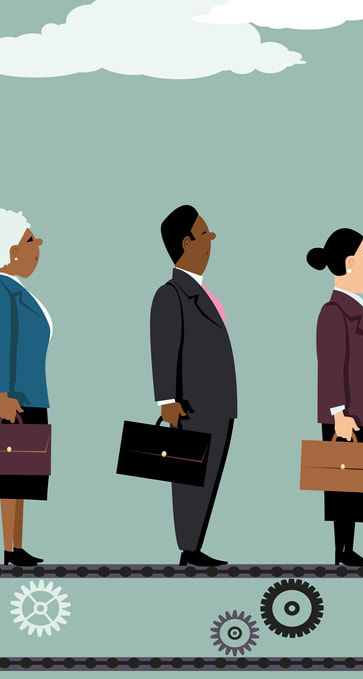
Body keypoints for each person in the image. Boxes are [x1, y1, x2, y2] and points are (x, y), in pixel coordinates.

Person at [150, 205, 237, 567]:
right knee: (189, 481)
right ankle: (188, 548)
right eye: (204, 234)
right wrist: (166, 400)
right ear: (187, 243)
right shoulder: (171, 294)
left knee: (208, 478)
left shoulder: (201, 291)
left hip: (218, 402)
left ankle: (194, 544)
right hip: (192, 404)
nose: (211, 239)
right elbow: (164, 347)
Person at [0, 208, 51, 567]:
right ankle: (9, 547)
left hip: (31, 394)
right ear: (12, 252)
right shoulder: (1, 291)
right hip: (12, 398)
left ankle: (17, 545)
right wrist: (3, 395)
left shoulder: (19, 289)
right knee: (10, 477)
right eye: (31, 241)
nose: (39, 247)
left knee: (25, 476)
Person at [308, 228, 363, 566]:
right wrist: (338, 412)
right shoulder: (334, 311)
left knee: (358, 484)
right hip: (347, 415)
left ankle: (348, 548)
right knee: (342, 484)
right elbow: (329, 365)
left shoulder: (357, 307)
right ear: (351, 263)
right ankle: (341, 551)